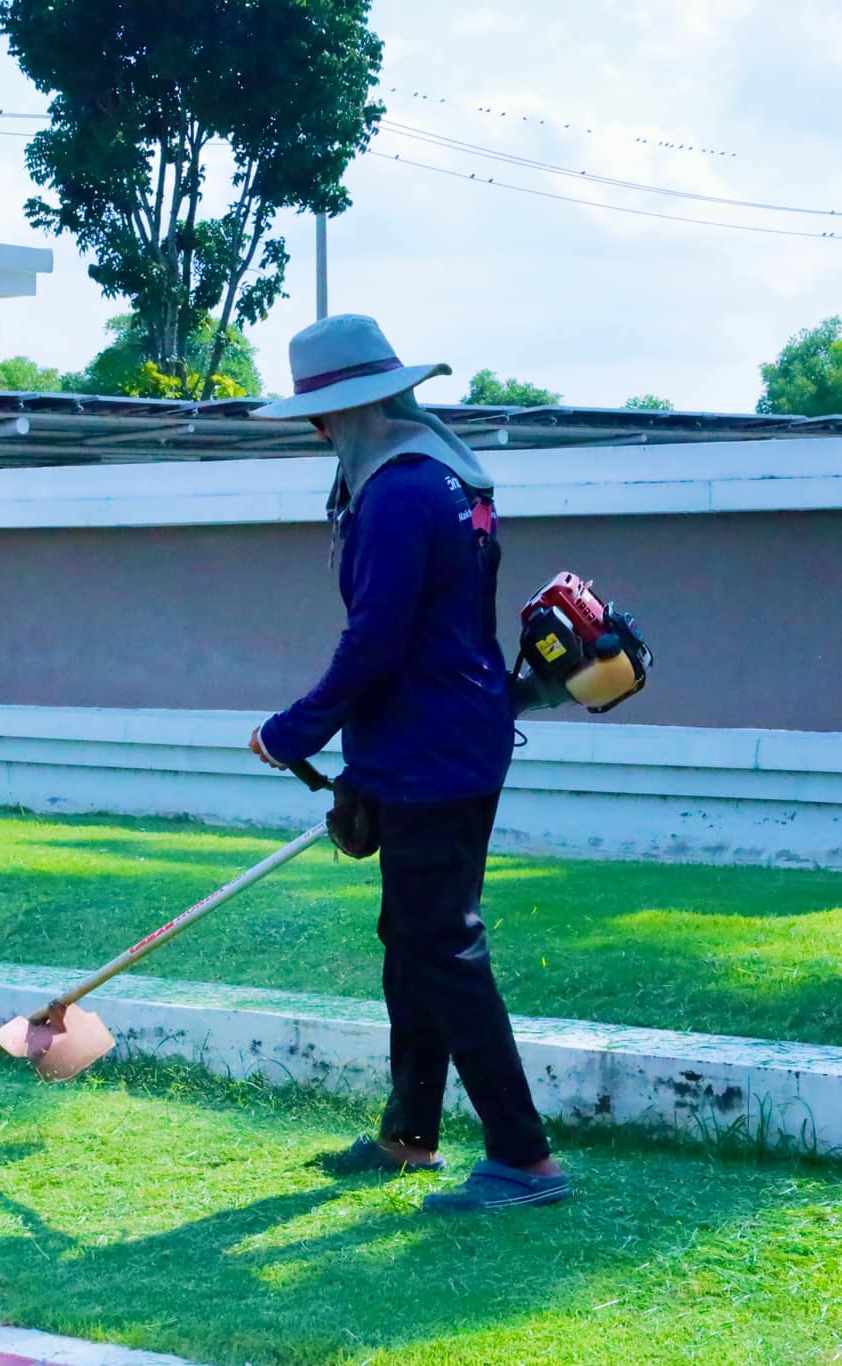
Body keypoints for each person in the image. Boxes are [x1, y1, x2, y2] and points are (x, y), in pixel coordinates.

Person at [246, 314, 569, 1214]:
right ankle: (409, 1134)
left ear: (340, 413)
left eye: (317, 419)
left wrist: (291, 732)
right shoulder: (445, 477)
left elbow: (375, 642)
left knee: (443, 947)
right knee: (414, 943)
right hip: (442, 739)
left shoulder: (397, 494)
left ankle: (525, 1159)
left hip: (433, 753)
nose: (317, 435)